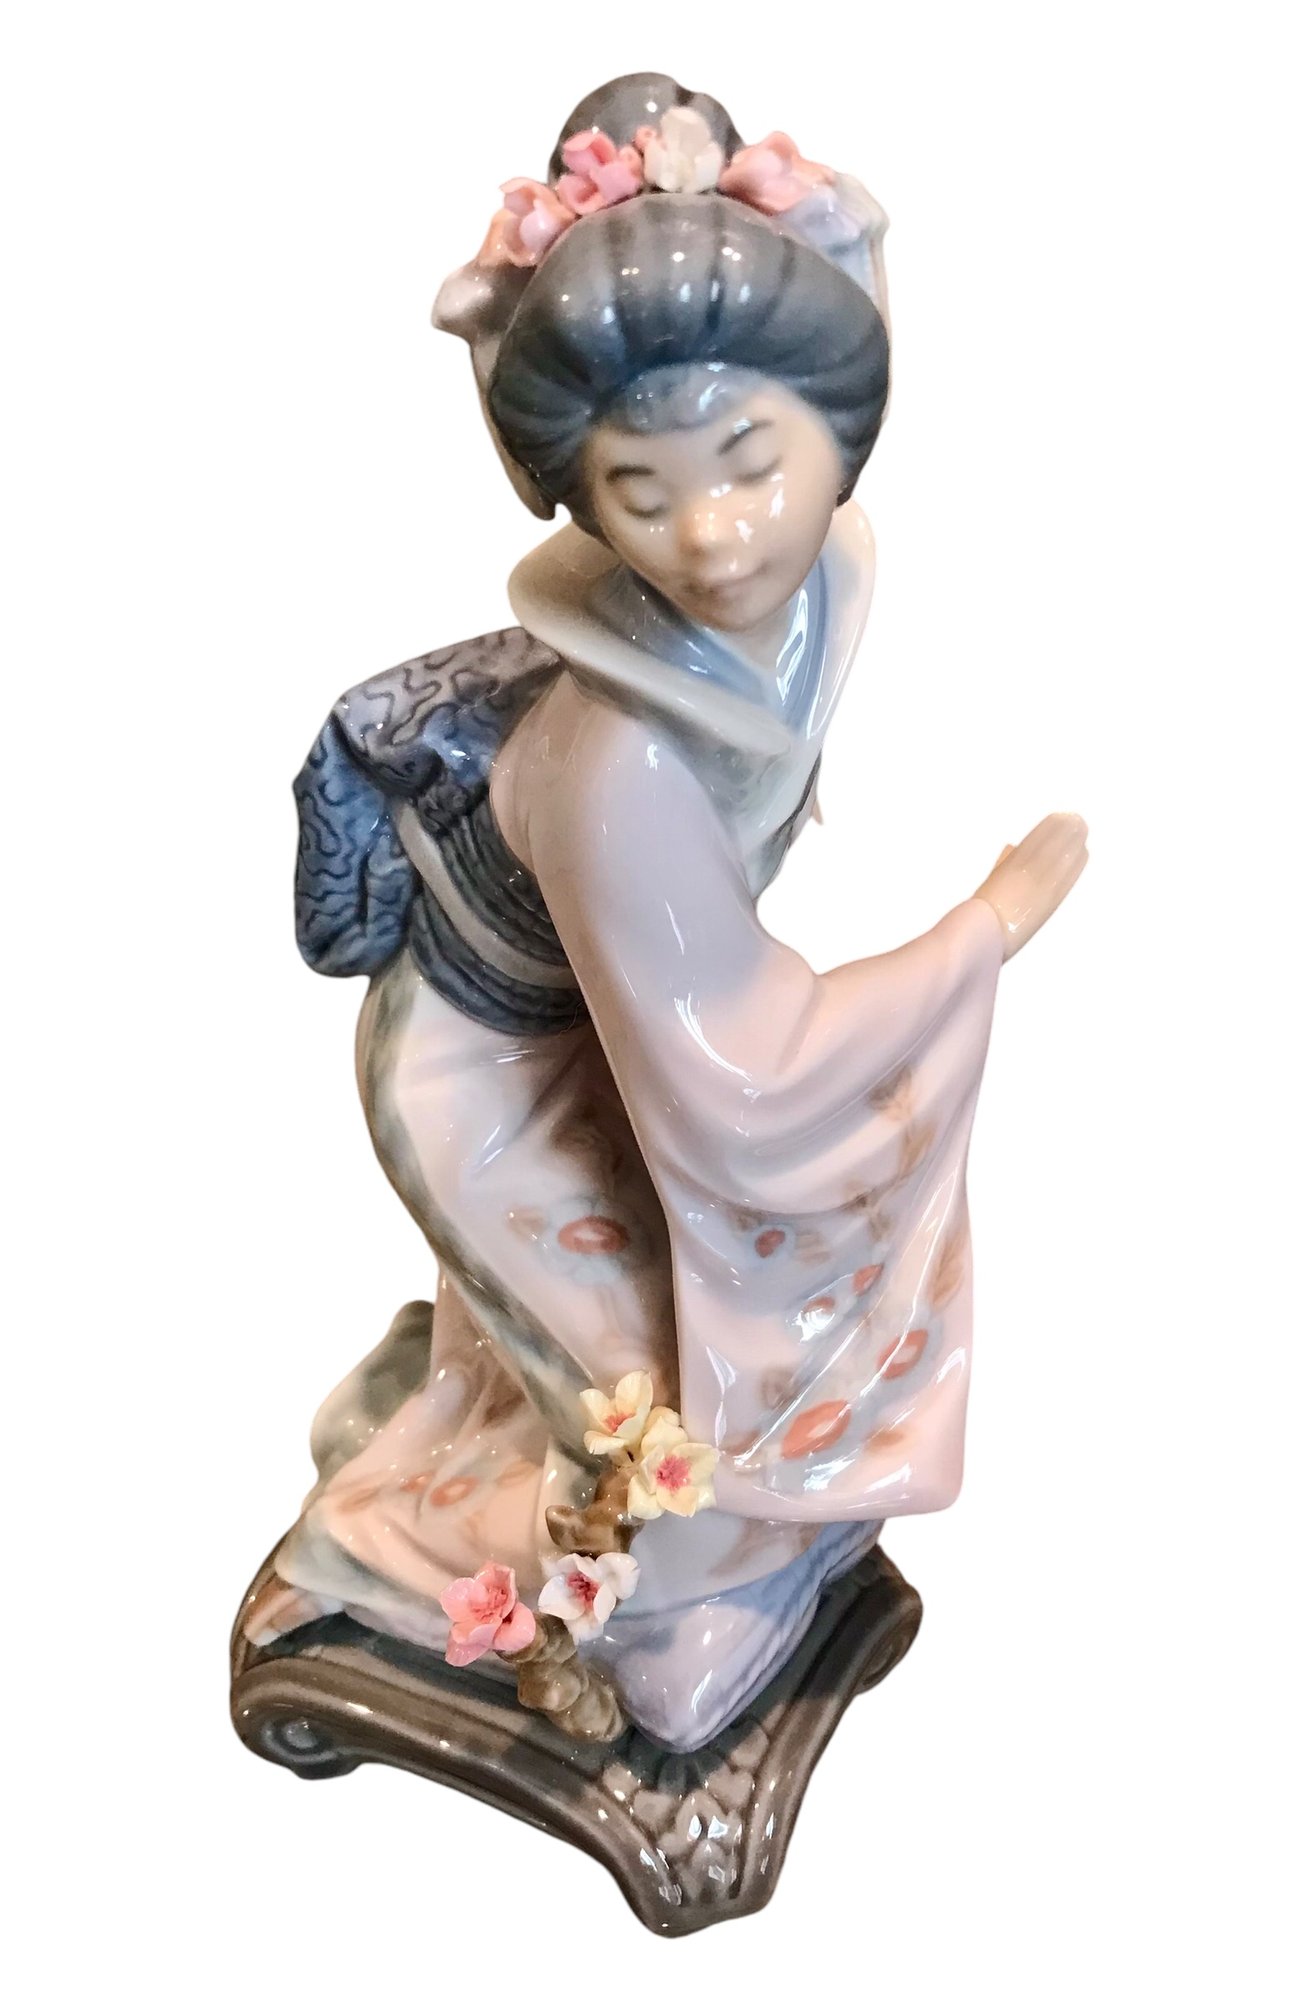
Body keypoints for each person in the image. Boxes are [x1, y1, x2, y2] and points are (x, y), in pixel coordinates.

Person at [249, 73, 1087, 1752]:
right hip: (497, 1075)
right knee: (668, 1415)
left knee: (697, 1375)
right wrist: (984, 928)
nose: (712, 534)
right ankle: (406, 1563)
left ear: (840, 427)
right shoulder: (612, 759)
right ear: (580, 503)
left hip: (627, 1013)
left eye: (753, 459)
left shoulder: (825, 581)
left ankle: (570, 1494)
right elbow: (749, 1071)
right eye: (639, 491)